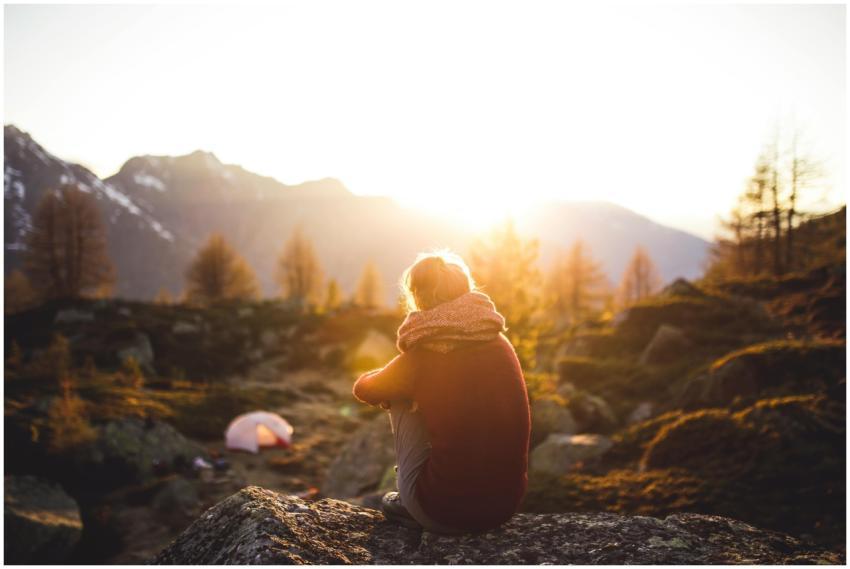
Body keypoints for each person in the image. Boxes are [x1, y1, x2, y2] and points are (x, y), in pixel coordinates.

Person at [352, 251, 531, 533]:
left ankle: (410, 496)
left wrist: (400, 379)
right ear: (466, 289)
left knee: (398, 393)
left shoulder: (423, 353)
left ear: (418, 297)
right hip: (503, 508)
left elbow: (365, 390)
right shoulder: (499, 341)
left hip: (441, 513)